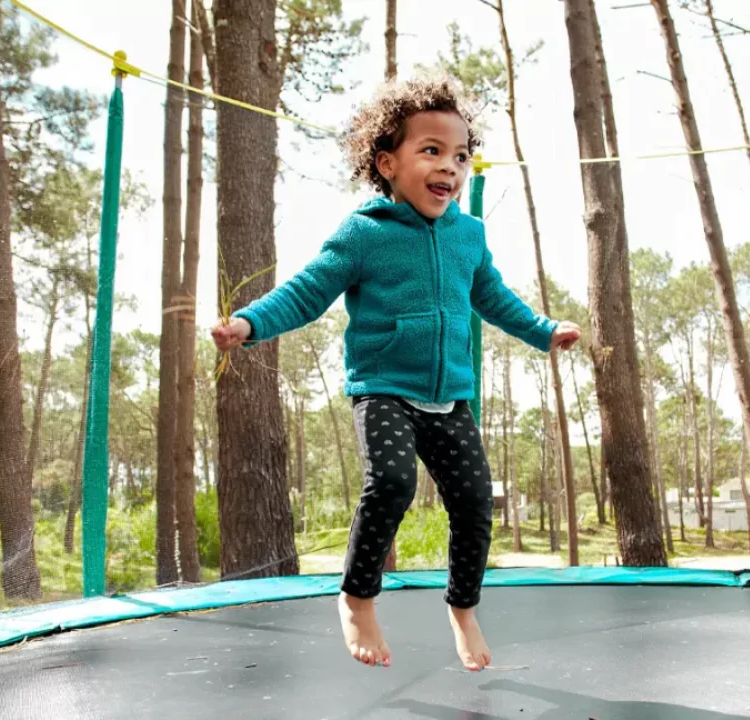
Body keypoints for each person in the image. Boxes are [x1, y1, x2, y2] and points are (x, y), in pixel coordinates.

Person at [212, 72, 581, 671]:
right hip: (383, 388)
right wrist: (249, 324)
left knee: (473, 503)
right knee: (390, 482)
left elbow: (493, 297)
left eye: (460, 155)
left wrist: (543, 330)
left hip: (450, 396)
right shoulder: (364, 234)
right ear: (387, 162)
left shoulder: (470, 236)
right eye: (431, 151)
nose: (450, 167)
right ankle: (358, 597)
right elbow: (308, 291)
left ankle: (462, 609)